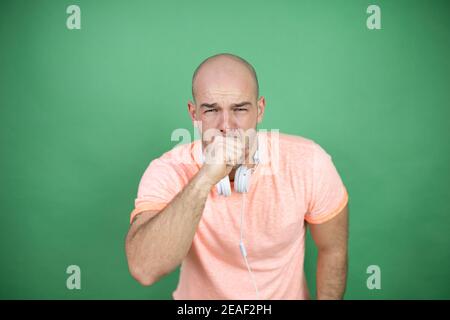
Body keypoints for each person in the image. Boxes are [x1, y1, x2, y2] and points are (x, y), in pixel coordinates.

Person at [125, 53, 349, 299]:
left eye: (240, 109)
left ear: (260, 109)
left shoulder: (308, 161)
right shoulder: (168, 169)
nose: (226, 125)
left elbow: (333, 249)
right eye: (211, 110)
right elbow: (144, 270)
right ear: (194, 114)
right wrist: (204, 179)